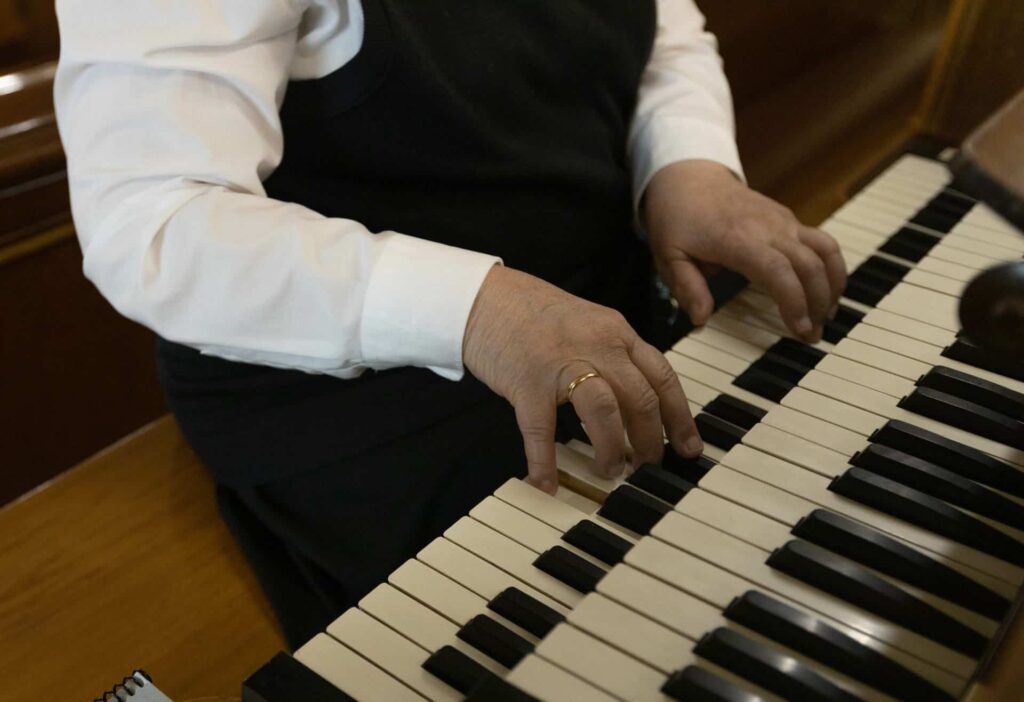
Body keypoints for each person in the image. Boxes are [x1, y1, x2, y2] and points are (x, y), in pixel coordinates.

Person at [55, 0, 846, 647]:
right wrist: (474, 310)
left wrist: (687, 166)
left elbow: (662, 30)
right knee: (664, 629)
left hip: (604, 305)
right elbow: (152, 223)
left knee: (810, 514)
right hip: (368, 401)